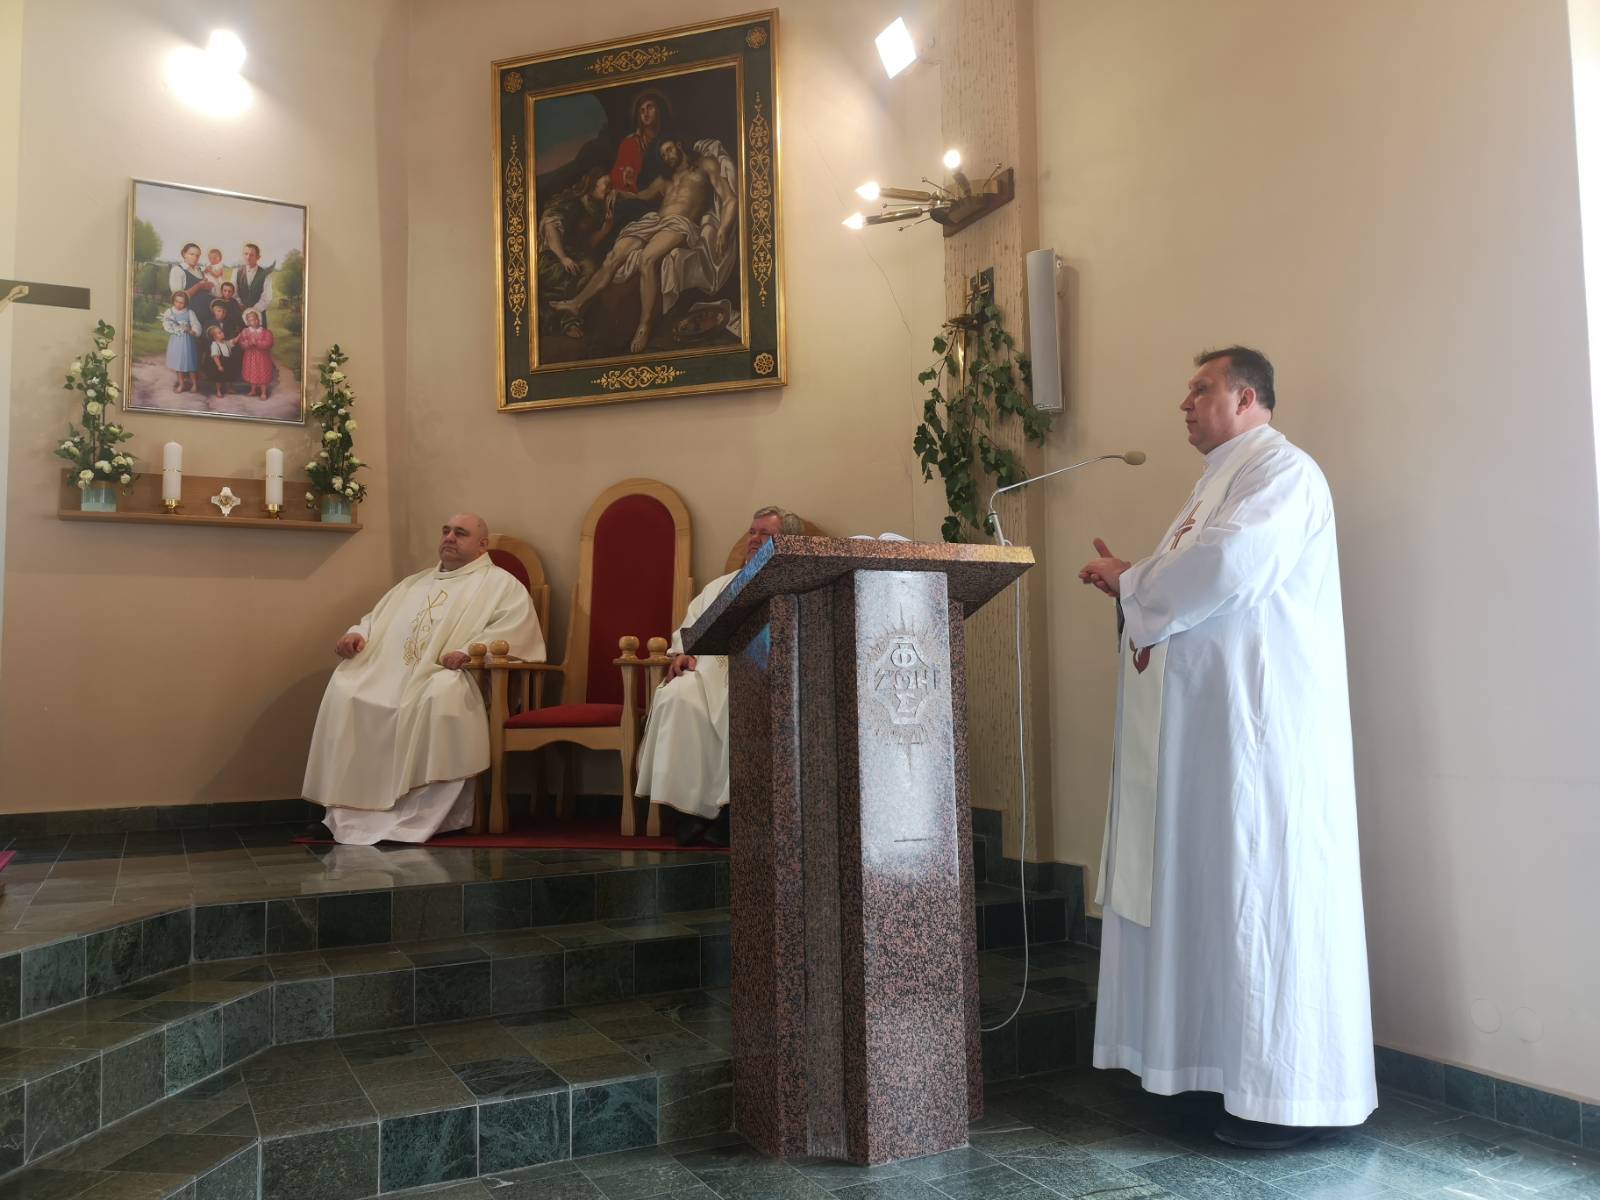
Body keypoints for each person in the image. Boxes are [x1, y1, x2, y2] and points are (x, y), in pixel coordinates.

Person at [1077, 347, 1375, 1148]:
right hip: (1209, 739)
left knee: (1258, 894)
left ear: (1247, 398)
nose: (1185, 402)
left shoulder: (1283, 473)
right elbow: (1195, 579)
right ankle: (1206, 1072)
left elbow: (1229, 566)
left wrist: (1133, 581)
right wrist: (1134, 582)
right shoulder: (1217, 482)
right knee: (1214, 895)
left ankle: (1281, 1096)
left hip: (1260, 735)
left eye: (1200, 388)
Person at [303, 514, 544, 844]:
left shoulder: (502, 585)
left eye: (460, 533)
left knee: (441, 694)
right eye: (446, 531)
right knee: (346, 688)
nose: (449, 537)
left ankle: (420, 817)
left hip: (460, 675)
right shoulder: (412, 584)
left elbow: (515, 633)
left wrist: (470, 651)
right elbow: (374, 620)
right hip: (395, 676)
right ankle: (344, 816)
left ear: (482, 545)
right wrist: (356, 634)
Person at [636, 505, 803, 846]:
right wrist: (682, 653)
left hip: (761, 677)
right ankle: (688, 812)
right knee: (676, 696)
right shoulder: (719, 587)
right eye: (752, 532)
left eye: (765, 534)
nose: (754, 539)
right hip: (708, 673)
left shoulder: (792, 588)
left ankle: (731, 813)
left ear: (787, 541)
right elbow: (689, 632)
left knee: (739, 701)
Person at [550, 138, 738, 354]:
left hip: (680, 223)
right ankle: (576, 303)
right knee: (613, 257)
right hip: (654, 221)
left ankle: (644, 325)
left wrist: (723, 229)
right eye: (663, 154)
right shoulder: (664, 180)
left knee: (647, 258)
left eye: (669, 149)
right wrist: (620, 193)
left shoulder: (705, 165)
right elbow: (641, 196)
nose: (667, 156)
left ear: (678, 144)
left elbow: (730, 199)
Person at [537, 168, 618, 340]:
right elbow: (550, 226)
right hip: (552, 254)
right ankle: (566, 321)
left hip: (573, 255)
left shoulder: (596, 208)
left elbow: (586, 244)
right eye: (607, 184)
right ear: (593, 182)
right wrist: (563, 257)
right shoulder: (572, 202)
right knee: (566, 273)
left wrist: (606, 229)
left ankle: (570, 313)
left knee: (592, 269)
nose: (610, 189)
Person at [160, 291, 201, 392]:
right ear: (173, 301)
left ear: (185, 303)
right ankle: (181, 384)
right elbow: (166, 324)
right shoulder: (170, 312)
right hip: (176, 340)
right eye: (176, 301)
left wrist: (192, 330)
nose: (178, 304)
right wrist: (175, 329)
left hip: (187, 341)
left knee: (190, 363)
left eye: (181, 302)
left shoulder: (189, 312)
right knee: (178, 364)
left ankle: (194, 384)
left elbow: (196, 324)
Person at [235, 308, 275, 400]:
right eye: (251, 320)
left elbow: (269, 343)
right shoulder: (245, 332)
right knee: (251, 372)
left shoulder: (265, 332)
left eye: (255, 319)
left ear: (259, 319)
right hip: (250, 357)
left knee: (262, 373)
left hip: (262, 358)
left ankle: (263, 392)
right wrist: (249, 343)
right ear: (247, 322)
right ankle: (253, 390)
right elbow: (242, 343)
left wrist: (257, 343)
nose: (254, 321)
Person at [234, 242, 273, 328]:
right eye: (246, 254)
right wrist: (240, 304)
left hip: (258, 316)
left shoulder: (265, 274)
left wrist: (253, 310)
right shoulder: (236, 272)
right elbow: (234, 293)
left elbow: (267, 297)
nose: (248, 257)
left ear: (258, 257)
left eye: (251, 255)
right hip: (241, 313)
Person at [201, 325, 231, 398]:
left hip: (227, 362)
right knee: (219, 378)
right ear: (214, 337)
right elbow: (215, 357)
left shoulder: (225, 342)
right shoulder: (214, 345)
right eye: (219, 333)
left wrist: (239, 336)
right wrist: (219, 366)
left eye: (221, 332)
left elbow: (233, 341)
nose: (222, 333)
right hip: (219, 362)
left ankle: (228, 388)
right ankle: (218, 390)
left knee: (227, 376)